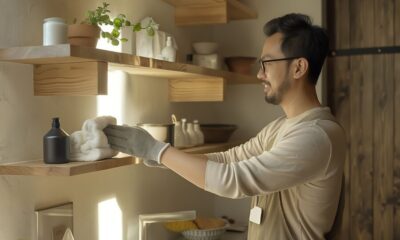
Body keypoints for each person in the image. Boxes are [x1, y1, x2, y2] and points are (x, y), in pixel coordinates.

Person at [104, 13, 346, 240]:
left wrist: (158, 151)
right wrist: (161, 158)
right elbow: (229, 159)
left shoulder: (316, 136)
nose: (260, 74)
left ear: (298, 68)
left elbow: (233, 179)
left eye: (268, 64)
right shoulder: (280, 127)